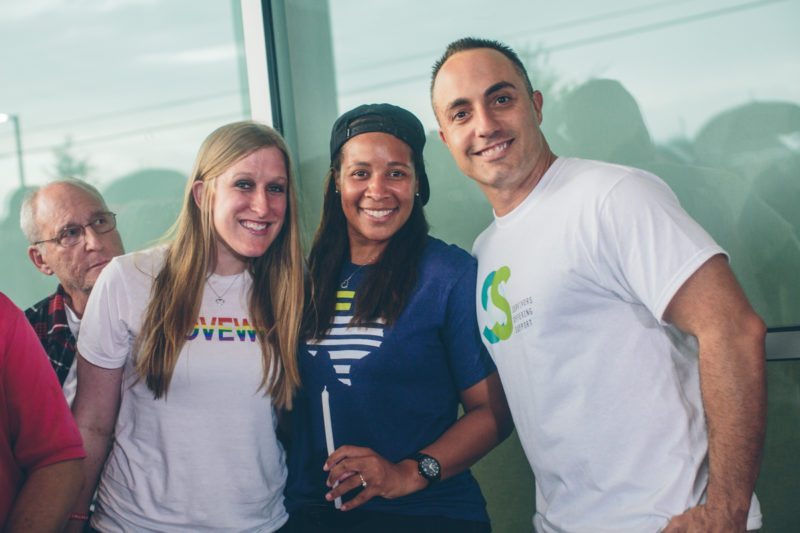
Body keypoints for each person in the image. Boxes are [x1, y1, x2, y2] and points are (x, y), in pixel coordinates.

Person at [430, 37, 766, 532]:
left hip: (667, 521)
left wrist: (726, 509)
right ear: (445, 139)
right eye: (461, 113)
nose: (484, 125)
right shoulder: (486, 251)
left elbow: (733, 329)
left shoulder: (612, 197)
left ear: (536, 107)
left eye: (501, 99)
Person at [283, 103, 513, 532]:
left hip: (429, 516)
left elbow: (493, 412)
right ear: (336, 181)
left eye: (397, 173)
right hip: (312, 516)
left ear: (417, 184)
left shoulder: (447, 275)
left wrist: (409, 472)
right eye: (360, 173)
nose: (378, 190)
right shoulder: (299, 280)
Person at [66, 121, 304, 532]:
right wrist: (71, 518)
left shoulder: (292, 288)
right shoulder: (129, 278)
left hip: (259, 524)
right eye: (244, 185)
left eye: (276, 188)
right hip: (136, 524)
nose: (263, 206)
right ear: (202, 194)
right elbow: (92, 423)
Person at [20, 179, 125, 404]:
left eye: (100, 221)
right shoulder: (25, 338)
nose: (95, 242)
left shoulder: (171, 307)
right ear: (41, 260)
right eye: (69, 234)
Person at [0, 291, 85, 531]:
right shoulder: (35, 320)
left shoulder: (5, 317)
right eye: (68, 248)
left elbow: (57, 459)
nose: (91, 249)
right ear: (41, 261)